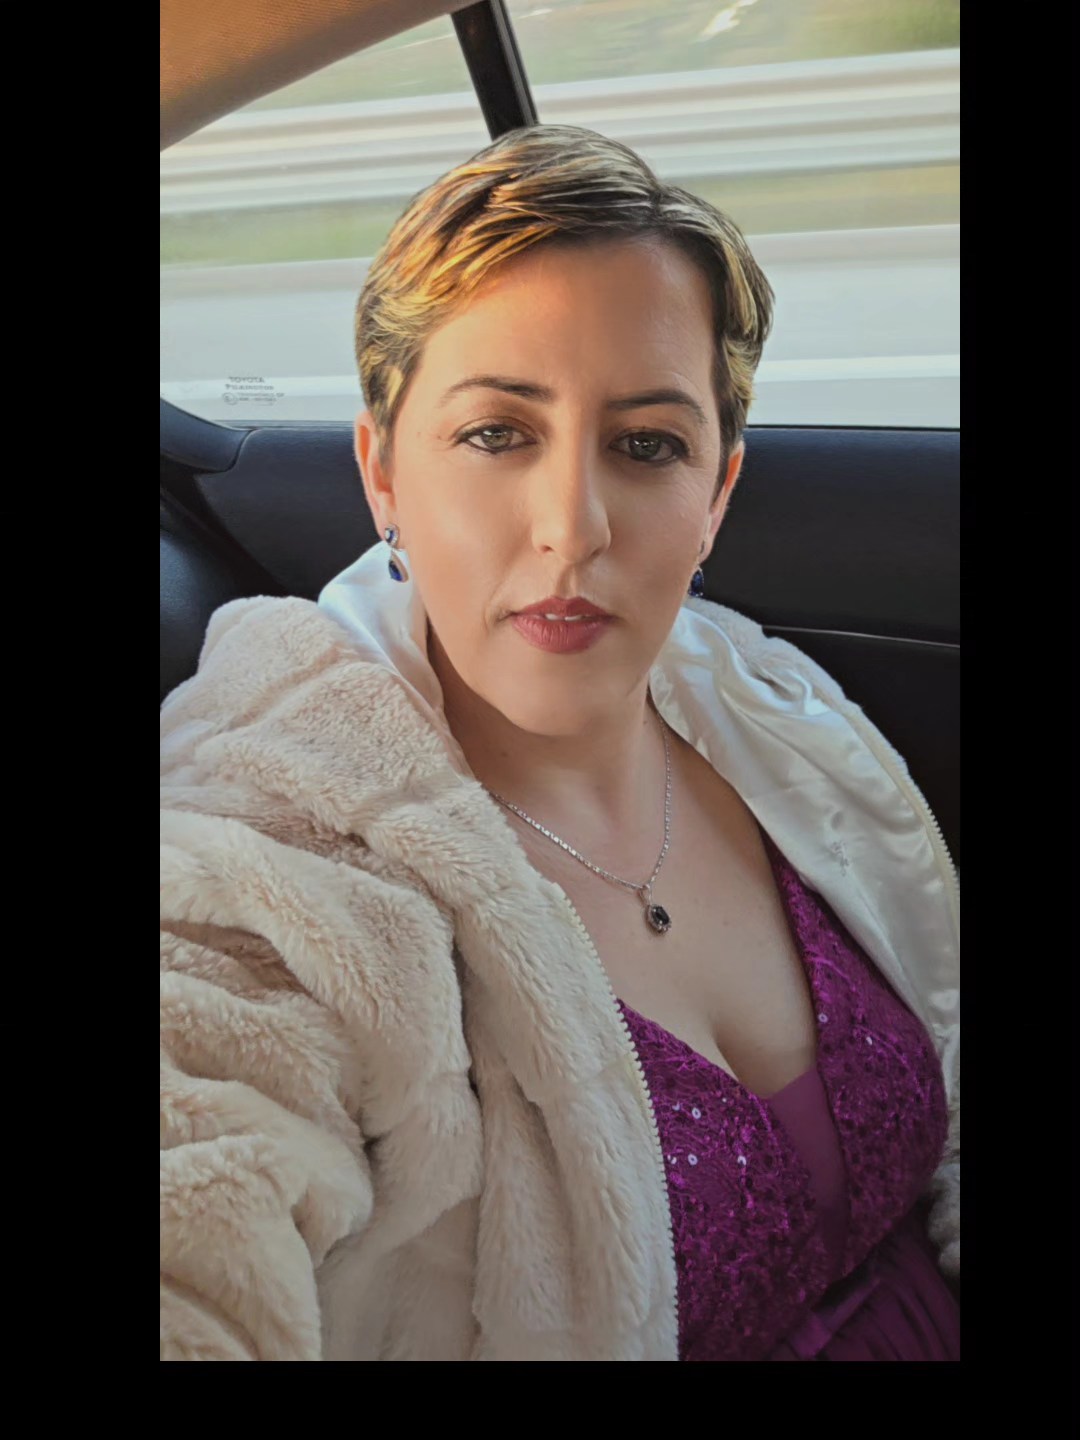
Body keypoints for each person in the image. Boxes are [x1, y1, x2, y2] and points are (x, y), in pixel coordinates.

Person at [160, 124, 959, 1362]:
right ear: (382, 474)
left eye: (647, 446)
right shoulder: (271, 864)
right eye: (498, 433)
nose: (573, 527)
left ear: (717, 494)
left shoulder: (768, 711)